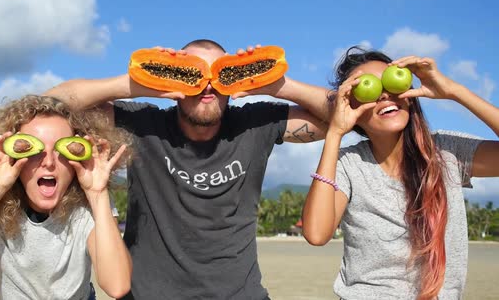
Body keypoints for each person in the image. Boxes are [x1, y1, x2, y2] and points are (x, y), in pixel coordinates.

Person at [44, 39, 331, 299]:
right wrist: (139, 82)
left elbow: (346, 117)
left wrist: (273, 84)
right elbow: (49, 104)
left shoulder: (255, 124)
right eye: (194, 74)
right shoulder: (143, 124)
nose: (207, 85)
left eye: (218, 75)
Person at [302, 46, 499, 299]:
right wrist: (335, 133)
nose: (384, 95)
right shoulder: (349, 164)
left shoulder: (447, 153)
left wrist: (453, 91)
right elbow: (317, 234)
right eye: (369, 88)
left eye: (390, 83)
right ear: (352, 108)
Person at [0, 95, 133, 299]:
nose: (49, 162)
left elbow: (117, 286)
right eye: (33, 149)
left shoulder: (89, 202)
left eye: (63, 149)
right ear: (11, 156)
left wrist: (98, 196)